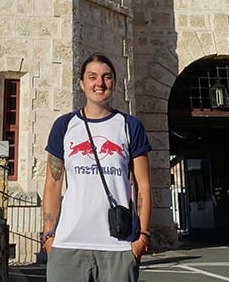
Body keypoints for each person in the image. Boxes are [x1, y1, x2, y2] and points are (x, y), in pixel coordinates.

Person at [42, 53, 152, 281]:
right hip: (67, 244)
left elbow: (143, 185)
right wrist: (49, 236)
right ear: (81, 84)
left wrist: (141, 238)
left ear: (114, 82)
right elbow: (53, 183)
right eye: (92, 77)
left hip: (118, 247)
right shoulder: (64, 126)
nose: (99, 83)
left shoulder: (130, 126)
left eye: (106, 77)